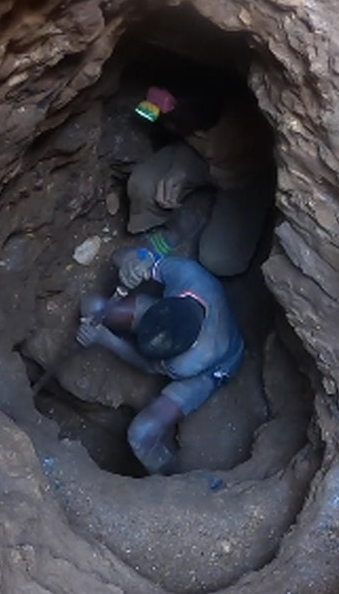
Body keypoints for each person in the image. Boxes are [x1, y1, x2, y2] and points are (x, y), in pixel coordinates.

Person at [76, 247, 244, 475]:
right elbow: (131, 255)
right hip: (173, 325)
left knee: (141, 435)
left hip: (211, 371)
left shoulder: (189, 362)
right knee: (93, 307)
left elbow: (147, 366)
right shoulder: (188, 274)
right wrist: (134, 263)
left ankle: (172, 478)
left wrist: (107, 340)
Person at [127, 86, 276, 278]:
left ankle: (201, 216)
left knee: (220, 260)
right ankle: (162, 232)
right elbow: (181, 132)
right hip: (198, 158)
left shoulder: (249, 126)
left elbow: (266, 165)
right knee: (144, 184)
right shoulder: (185, 110)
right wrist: (180, 168)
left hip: (245, 178)